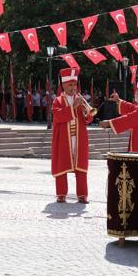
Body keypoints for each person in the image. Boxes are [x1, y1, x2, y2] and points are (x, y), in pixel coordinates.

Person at [51, 68, 92, 203]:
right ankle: (61, 193)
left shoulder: (80, 100)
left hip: (79, 138)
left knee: (80, 165)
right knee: (62, 164)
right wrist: (73, 108)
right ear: (63, 85)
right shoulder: (57, 100)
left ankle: (82, 194)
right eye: (70, 85)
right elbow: (58, 116)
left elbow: (88, 119)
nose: (73, 87)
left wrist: (87, 112)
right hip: (64, 138)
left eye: (74, 84)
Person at [99, 76, 138, 154]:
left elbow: (130, 118)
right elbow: (132, 109)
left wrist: (109, 123)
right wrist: (118, 101)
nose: (135, 93)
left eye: (137, 91)